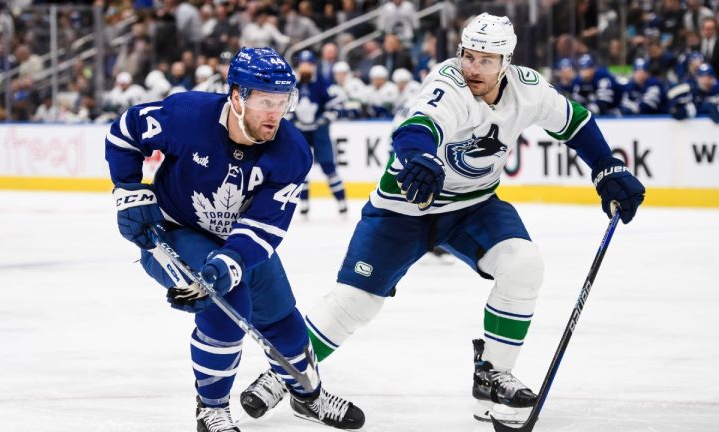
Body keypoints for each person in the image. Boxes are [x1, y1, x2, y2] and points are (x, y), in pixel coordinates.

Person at [239, 13, 646, 425]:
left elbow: (575, 123)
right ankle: (284, 375)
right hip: (405, 208)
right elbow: (416, 129)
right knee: (354, 303)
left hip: (473, 206)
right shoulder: (449, 83)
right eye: (468, 56)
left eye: (486, 60)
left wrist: (606, 167)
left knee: (524, 265)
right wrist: (419, 158)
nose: (473, 68)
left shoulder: (529, 89)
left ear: (507, 61)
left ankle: (494, 375)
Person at [105, 47, 364, 432]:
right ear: (237, 96)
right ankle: (211, 409)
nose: (276, 113)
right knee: (226, 304)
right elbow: (125, 132)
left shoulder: (291, 152)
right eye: (265, 101)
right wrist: (129, 191)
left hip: (238, 242)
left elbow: (264, 227)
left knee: (282, 318)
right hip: (176, 230)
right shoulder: (187, 115)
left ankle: (308, 397)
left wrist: (230, 262)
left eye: (283, 101)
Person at [290, 49, 348, 216]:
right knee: (301, 167)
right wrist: (293, 118)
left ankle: (342, 201)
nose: (305, 68)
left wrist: (324, 119)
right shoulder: (294, 84)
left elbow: (337, 106)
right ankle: (304, 203)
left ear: (314, 66)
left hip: (319, 132)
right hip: (301, 132)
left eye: (308, 64)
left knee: (328, 165)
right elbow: (285, 105)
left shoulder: (323, 83)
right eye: (302, 64)